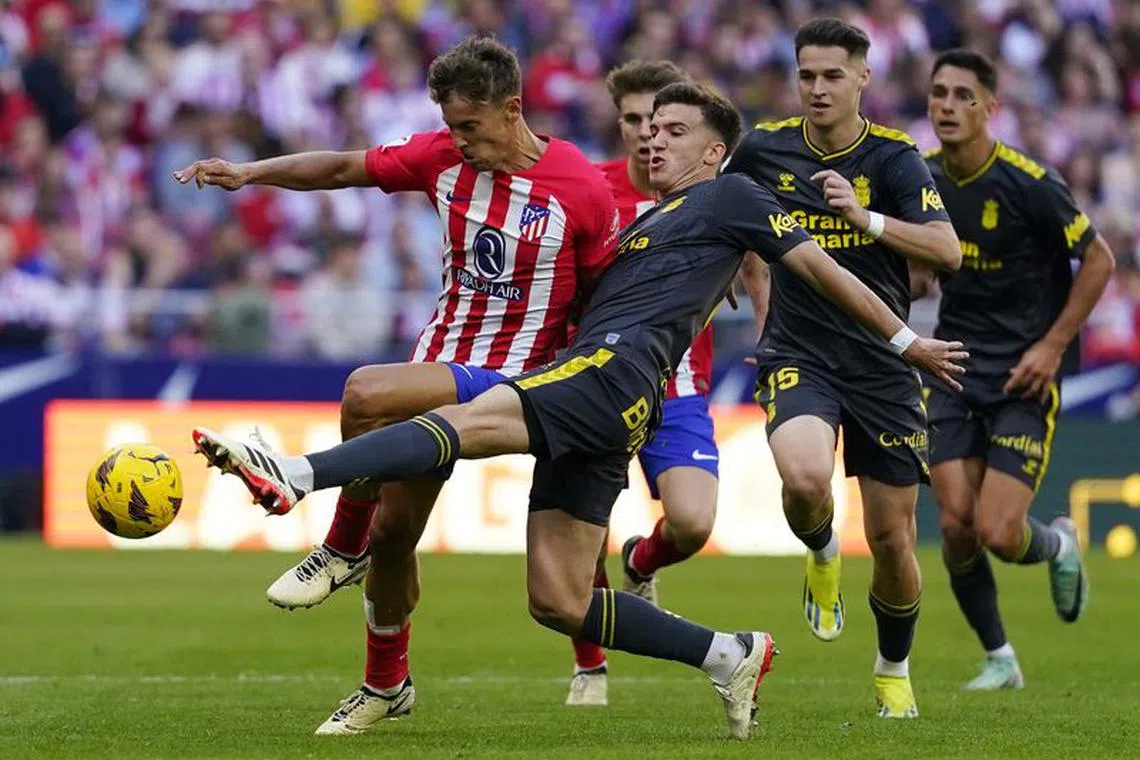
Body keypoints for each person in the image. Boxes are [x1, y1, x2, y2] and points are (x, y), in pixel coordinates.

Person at [192, 82, 967, 738]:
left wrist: (907, 341)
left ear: (713, 153)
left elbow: (820, 268)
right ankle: (729, 654)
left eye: (673, 132)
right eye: (647, 129)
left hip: (610, 375)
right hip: (613, 397)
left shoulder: (733, 196)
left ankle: (295, 474)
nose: (652, 142)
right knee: (559, 600)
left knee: (465, 427)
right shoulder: (651, 220)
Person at [723, 18, 962, 718]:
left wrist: (868, 220)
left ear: (864, 78)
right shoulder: (763, 148)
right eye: (807, 75)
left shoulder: (892, 159)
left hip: (883, 363)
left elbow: (946, 251)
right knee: (801, 480)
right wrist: (735, 268)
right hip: (799, 353)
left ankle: (893, 666)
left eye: (833, 75)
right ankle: (823, 551)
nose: (818, 88)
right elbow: (717, 207)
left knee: (891, 540)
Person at [920, 49, 1110, 691]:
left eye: (962, 95)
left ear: (989, 108)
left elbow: (1101, 260)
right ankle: (1000, 657)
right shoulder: (920, 179)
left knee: (997, 532)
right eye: (938, 93)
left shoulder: (1030, 183)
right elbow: (913, 267)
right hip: (953, 366)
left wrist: (1053, 346)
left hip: (1022, 378)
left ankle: (1057, 545)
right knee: (952, 524)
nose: (947, 105)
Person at [565, 58, 720, 709]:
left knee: (691, 523)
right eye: (633, 120)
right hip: (596, 382)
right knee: (583, 530)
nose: (647, 135)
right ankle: (590, 666)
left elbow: (766, 266)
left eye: (661, 124)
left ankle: (644, 563)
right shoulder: (592, 191)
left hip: (677, 386)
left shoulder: (716, 194)